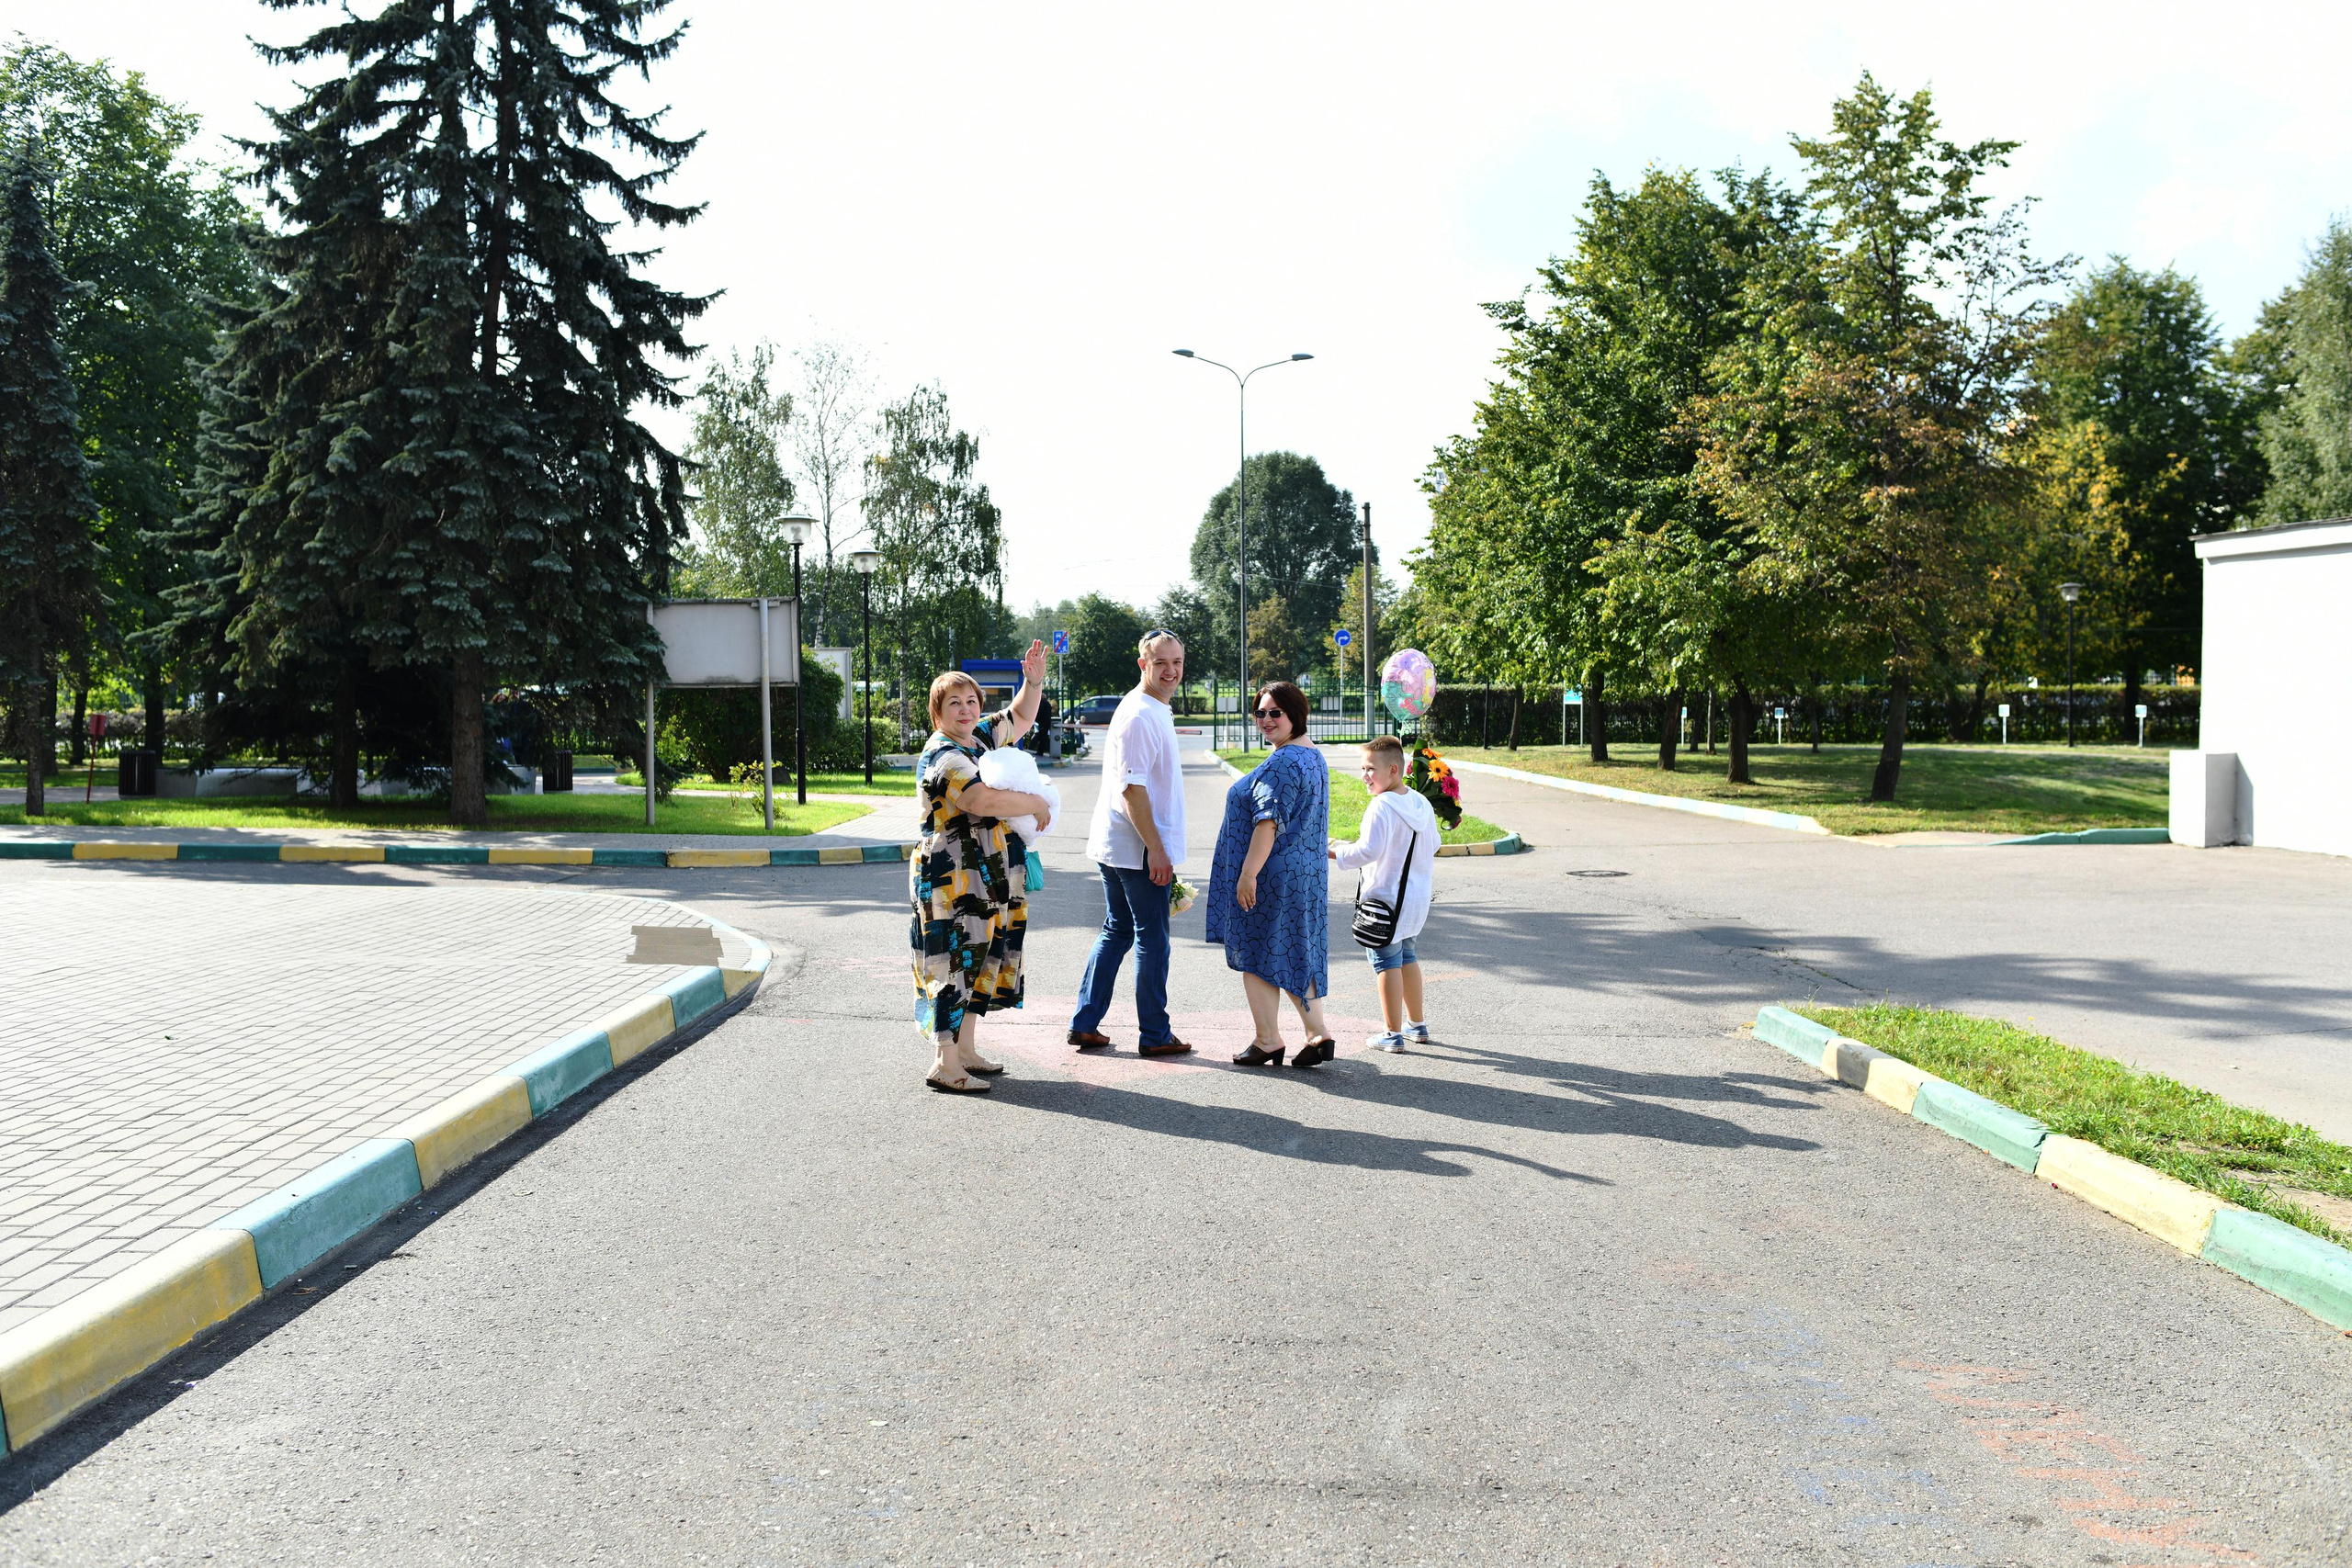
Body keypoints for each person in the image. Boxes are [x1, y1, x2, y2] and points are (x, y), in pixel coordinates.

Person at [910, 640, 1055, 1095]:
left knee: (984, 957)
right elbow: (979, 799)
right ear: (938, 713)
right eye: (954, 703)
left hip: (986, 873)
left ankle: (966, 1050)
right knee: (952, 962)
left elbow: (1021, 718)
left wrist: (1033, 681)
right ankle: (945, 1062)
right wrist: (1035, 802)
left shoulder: (977, 741)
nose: (966, 709)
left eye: (971, 701)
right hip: (950, 877)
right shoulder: (944, 755)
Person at [1068, 630, 1193, 1057]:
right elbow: (1132, 790)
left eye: (1176, 662)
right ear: (1143, 665)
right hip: (1137, 848)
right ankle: (1155, 1034)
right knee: (1152, 938)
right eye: (1161, 663)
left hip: (1117, 845)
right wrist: (1156, 850)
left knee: (1118, 929)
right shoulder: (1141, 714)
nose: (1171, 671)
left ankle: (1085, 1023)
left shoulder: (1151, 707)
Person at [1205, 681, 1336, 1067]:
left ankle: (1267, 1040)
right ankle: (1318, 1034)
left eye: (1275, 712)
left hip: (1271, 874)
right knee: (1296, 950)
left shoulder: (1282, 762)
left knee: (1255, 954)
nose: (1265, 719)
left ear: (1296, 713)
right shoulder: (1313, 756)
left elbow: (1268, 822)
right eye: (1260, 712)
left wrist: (1248, 874)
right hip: (1305, 873)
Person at [1329, 735, 1440, 1052]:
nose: (1365, 776)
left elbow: (1368, 851)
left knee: (1385, 963)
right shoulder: (1420, 802)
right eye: (1362, 769)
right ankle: (1416, 1025)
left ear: (1393, 770)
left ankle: (1392, 1034)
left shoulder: (1381, 806)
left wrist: (1334, 852)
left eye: (1370, 769)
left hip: (1385, 901)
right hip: (1415, 900)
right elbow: (1434, 846)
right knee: (1408, 957)